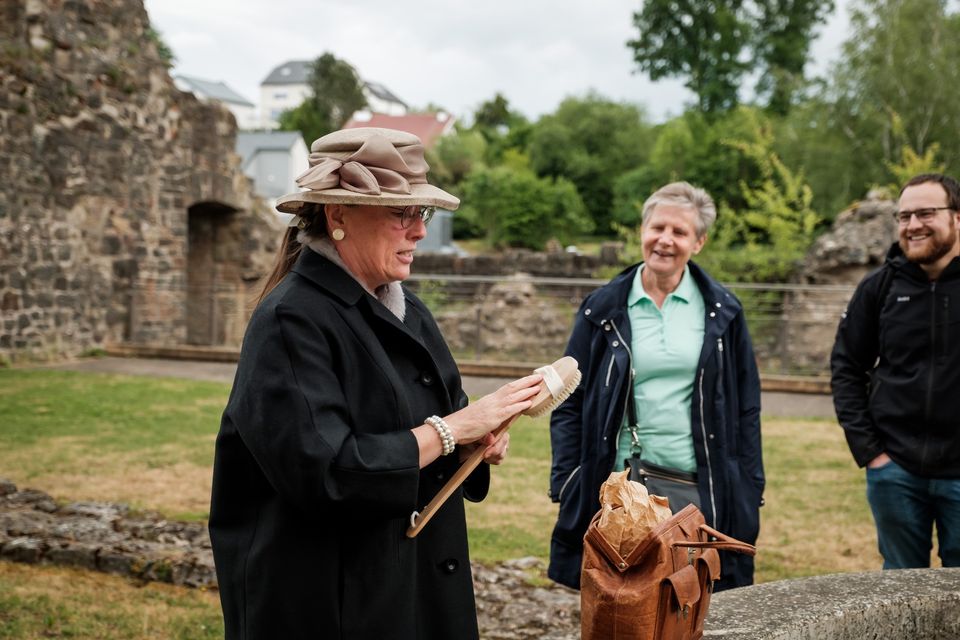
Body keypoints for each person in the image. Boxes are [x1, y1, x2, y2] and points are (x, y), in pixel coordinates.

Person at [208, 127, 544, 639]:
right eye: (400, 213)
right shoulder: (290, 320)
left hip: (410, 588)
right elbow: (328, 474)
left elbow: (439, 425)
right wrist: (454, 429)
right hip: (325, 603)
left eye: (421, 213)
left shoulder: (411, 313)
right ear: (337, 215)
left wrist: (474, 440)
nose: (418, 232)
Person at [548, 181, 764, 591]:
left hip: (699, 490)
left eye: (679, 232)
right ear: (642, 231)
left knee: (690, 606)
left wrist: (750, 488)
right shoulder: (603, 308)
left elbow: (746, 409)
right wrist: (568, 478)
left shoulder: (725, 312)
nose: (665, 240)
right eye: (657, 227)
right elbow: (569, 396)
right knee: (619, 609)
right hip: (619, 491)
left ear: (698, 242)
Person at [831, 172, 960, 570]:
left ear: (956, 217)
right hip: (896, 472)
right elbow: (846, 368)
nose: (913, 225)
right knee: (900, 592)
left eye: (925, 213)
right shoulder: (880, 288)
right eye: (904, 216)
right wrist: (871, 453)